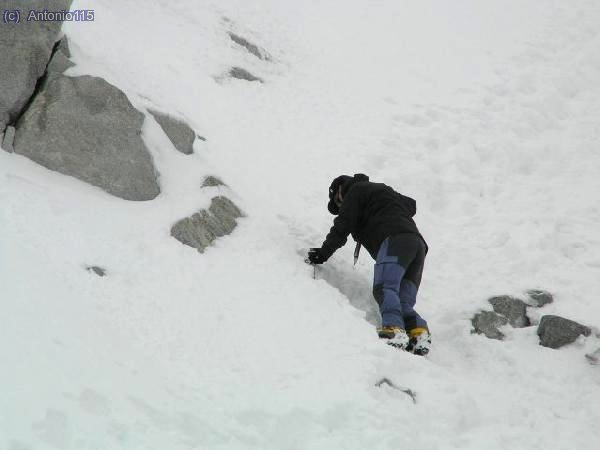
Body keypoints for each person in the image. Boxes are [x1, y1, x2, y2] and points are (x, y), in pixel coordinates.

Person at [307, 173, 431, 355]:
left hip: (394, 240)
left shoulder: (355, 191)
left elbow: (342, 227)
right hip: (417, 246)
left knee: (384, 288)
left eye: (338, 203)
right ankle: (418, 334)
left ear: (340, 191)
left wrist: (321, 255)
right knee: (402, 299)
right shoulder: (381, 190)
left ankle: (394, 330)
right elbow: (411, 205)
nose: (341, 207)